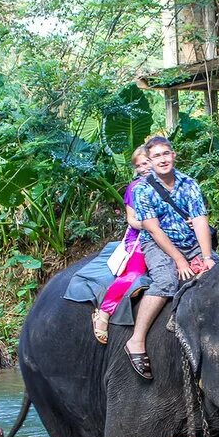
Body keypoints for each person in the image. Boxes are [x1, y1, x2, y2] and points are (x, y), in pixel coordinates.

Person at [124, 136, 219, 379]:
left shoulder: (189, 184)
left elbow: (200, 221)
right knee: (166, 281)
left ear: (173, 155)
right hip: (158, 244)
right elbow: (153, 229)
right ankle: (137, 339)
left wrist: (207, 257)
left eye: (166, 154)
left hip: (190, 240)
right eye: (156, 156)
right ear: (150, 160)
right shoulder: (143, 189)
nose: (163, 159)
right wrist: (179, 260)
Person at [91, 146, 153, 344]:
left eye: (146, 162)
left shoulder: (168, 183)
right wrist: (153, 226)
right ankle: (104, 313)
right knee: (133, 275)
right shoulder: (135, 187)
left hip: (169, 237)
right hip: (141, 239)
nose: (144, 168)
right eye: (139, 165)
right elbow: (132, 220)